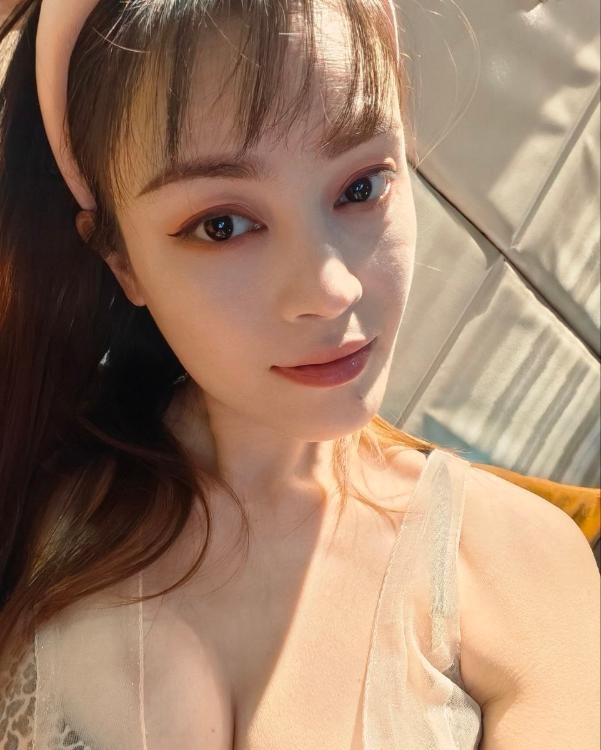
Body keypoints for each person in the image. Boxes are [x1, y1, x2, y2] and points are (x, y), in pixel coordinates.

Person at [0, 1, 598, 748]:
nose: (330, 289)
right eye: (222, 225)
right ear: (122, 261)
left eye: (361, 187)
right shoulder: (31, 490)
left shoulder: (515, 562)